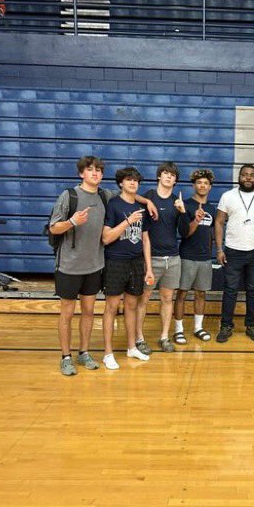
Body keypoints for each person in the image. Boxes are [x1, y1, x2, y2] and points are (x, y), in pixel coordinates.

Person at [48, 156, 157, 376]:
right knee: (67, 314)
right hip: (69, 265)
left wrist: (148, 202)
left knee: (88, 312)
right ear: (82, 174)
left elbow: (129, 195)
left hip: (95, 265)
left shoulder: (104, 196)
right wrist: (72, 222)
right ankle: (66, 357)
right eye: (90, 170)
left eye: (98, 170)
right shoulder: (68, 196)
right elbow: (53, 228)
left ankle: (84, 352)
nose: (95, 173)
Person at [214, 164, 254, 343]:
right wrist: (219, 249)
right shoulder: (228, 196)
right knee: (230, 290)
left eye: (252, 175)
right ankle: (226, 326)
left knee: (253, 290)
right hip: (233, 250)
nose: (248, 178)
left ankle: (251, 326)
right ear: (239, 177)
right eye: (245, 175)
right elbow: (218, 222)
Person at [102, 167, 153, 370]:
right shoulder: (113, 205)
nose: (133, 183)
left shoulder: (141, 207)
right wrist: (127, 221)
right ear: (121, 183)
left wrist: (148, 267)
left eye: (136, 180)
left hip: (136, 262)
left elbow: (145, 239)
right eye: (129, 180)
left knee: (132, 306)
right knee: (111, 307)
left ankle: (131, 347)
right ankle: (107, 353)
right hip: (115, 261)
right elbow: (106, 238)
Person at [135, 162, 189, 353]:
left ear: (176, 180)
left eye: (173, 175)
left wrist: (183, 213)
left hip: (173, 259)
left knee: (167, 299)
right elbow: (129, 194)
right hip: (151, 259)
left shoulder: (177, 201)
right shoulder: (148, 196)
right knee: (143, 299)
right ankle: (139, 338)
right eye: (165, 173)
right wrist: (147, 202)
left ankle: (164, 336)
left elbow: (184, 232)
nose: (169, 177)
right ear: (159, 176)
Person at [173, 169, 217, 344]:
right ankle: (178, 330)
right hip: (187, 256)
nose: (202, 185)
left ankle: (198, 327)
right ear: (194, 185)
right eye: (199, 182)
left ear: (210, 187)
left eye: (206, 183)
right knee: (182, 294)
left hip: (205, 259)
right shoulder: (187, 206)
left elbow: (211, 234)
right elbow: (184, 233)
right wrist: (196, 220)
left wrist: (211, 252)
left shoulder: (211, 208)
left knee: (201, 294)